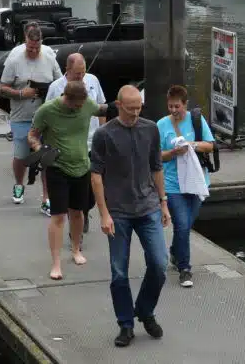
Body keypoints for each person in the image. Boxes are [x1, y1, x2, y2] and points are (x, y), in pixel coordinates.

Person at [90, 85, 170, 348]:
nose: (135, 113)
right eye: (130, 109)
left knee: (159, 264)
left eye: (139, 108)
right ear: (118, 105)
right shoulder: (104, 134)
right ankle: (125, 324)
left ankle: (145, 310)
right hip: (118, 211)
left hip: (148, 206)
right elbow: (96, 175)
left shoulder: (150, 129)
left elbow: (156, 167)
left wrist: (163, 202)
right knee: (118, 272)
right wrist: (103, 213)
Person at [28, 81, 109, 280]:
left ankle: (75, 250)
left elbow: (103, 110)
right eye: (76, 105)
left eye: (82, 105)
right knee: (58, 216)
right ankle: (56, 263)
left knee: (78, 213)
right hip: (58, 168)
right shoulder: (47, 110)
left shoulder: (87, 104)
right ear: (67, 98)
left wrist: (125, 105)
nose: (79, 108)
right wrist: (39, 149)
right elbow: (32, 135)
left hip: (82, 167)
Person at [0, 22, 62, 211]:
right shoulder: (14, 59)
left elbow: (60, 84)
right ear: (25, 42)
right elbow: (1, 88)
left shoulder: (49, 57)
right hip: (22, 116)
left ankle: (47, 197)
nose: (33, 51)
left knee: (47, 157)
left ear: (41, 43)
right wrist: (20, 93)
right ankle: (19, 184)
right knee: (21, 155)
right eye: (30, 48)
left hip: (46, 118)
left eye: (36, 48)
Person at [157, 85, 215, 288]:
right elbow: (156, 156)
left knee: (186, 226)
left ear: (185, 104)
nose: (174, 110)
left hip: (196, 181)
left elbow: (210, 145)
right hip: (173, 184)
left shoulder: (196, 119)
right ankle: (185, 269)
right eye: (170, 106)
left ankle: (175, 251)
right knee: (182, 225)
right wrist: (173, 153)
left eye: (177, 106)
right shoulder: (161, 125)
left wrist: (191, 145)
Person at [46, 53, 106, 233]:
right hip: (67, 146)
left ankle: (84, 210)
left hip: (91, 141)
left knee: (91, 187)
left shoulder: (92, 81)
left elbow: (101, 107)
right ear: (67, 69)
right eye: (77, 73)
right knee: (73, 186)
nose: (81, 76)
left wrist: (103, 133)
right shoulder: (56, 87)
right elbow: (47, 114)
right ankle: (76, 217)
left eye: (83, 72)